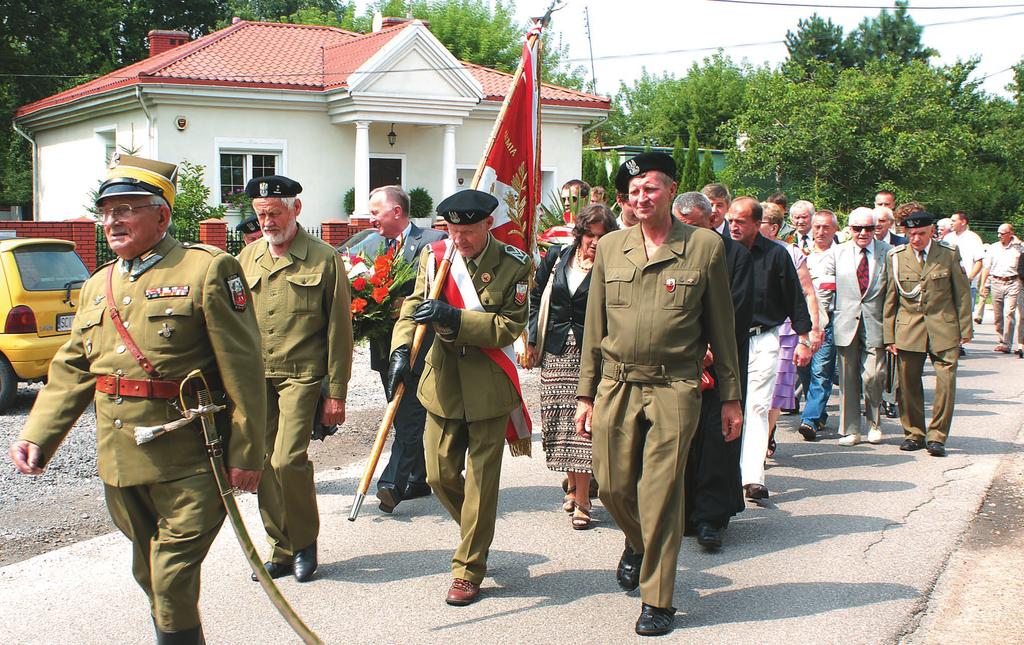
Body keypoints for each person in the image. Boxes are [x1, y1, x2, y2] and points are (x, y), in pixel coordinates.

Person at [9, 155, 266, 644]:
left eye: (126, 209)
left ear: (161, 216)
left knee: (169, 578)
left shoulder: (205, 269)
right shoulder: (97, 284)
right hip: (122, 461)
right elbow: (71, 367)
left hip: (194, 459)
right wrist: (38, 434)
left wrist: (247, 452)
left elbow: (245, 370)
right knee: (148, 573)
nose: (112, 221)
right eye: (106, 212)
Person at [575, 153, 742, 636]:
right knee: (612, 486)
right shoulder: (610, 247)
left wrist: (729, 397)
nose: (641, 198)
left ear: (670, 189)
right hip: (617, 383)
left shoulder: (704, 246)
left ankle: (658, 600)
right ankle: (638, 542)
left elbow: (722, 328)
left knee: (662, 492)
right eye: (632, 191)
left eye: (650, 188)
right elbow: (594, 327)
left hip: (676, 385)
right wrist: (586, 394)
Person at [388, 189, 532, 606]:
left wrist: (454, 317)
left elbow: (508, 327)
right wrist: (401, 348)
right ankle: (477, 528)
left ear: (488, 224)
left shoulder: (515, 265)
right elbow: (413, 306)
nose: (460, 239)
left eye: (468, 231)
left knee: (483, 483)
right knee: (438, 476)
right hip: (443, 383)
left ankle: (468, 568)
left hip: (488, 385)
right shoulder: (435, 257)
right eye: (453, 230)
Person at [237, 175, 353, 583]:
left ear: (296, 210)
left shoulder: (323, 258)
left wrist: (336, 392)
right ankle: (280, 548)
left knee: (288, 460)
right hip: (255, 378)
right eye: (260, 214)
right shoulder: (246, 259)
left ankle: (305, 543)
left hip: (301, 377)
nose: (267, 221)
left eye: (274, 213)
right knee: (262, 463)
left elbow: (340, 330)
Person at [347, 185, 446, 513]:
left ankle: (392, 482)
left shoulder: (432, 243)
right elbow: (348, 278)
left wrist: (412, 305)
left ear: (397, 212)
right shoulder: (368, 245)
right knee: (401, 406)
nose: (370, 217)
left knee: (407, 414)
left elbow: (448, 289)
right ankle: (418, 477)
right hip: (384, 347)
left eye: (375, 211)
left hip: (422, 345)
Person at [526, 204, 617, 530]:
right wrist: (533, 338)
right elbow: (536, 297)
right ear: (579, 233)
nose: (595, 241)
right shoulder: (557, 258)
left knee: (584, 427)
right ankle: (574, 482)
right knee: (560, 423)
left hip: (592, 355)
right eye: (590, 234)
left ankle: (582, 500)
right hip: (555, 351)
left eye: (602, 236)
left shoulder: (612, 265)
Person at [675, 191, 752, 552]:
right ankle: (684, 512)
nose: (686, 232)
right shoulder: (673, 252)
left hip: (721, 362)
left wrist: (710, 348)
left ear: (710, 220)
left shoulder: (733, 254)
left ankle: (711, 518)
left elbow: (733, 309)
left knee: (717, 437)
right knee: (681, 439)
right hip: (679, 361)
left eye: (692, 226)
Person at [728, 197, 812, 500]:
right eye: (731, 220)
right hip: (726, 340)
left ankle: (752, 476)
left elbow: (795, 296)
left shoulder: (776, 255)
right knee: (727, 405)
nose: (734, 226)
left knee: (758, 406)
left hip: (764, 337)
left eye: (741, 222)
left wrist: (804, 338)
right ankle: (725, 472)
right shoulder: (719, 250)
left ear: (757, 223)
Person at [883, 211, 972, 457]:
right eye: (911, 234)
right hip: (909, 329)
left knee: (946, 384)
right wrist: (889, 336)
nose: (916, 239)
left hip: (944, 328)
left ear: (932, 231)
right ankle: (914, 433)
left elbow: (962, 294)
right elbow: (891, 298)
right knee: (908, 384)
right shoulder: (896, 257)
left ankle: (937, 436)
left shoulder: (948, 255)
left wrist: (965, 329)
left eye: (921, 234)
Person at [822, 207, 892, 446]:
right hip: (845, 322)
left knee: (873, 376)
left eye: (869, 228)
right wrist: (819, 322)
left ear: (876, 229)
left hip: (876, 324)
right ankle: (850, 430)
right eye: (857, 228)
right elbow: (825, 290)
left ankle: (875, 424)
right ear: (849, 229)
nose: (863, 233)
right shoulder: (837, 253)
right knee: (848, 379)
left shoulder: (888, 253)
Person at [760, 202, 821, 446]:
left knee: (777, 388)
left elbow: (808, 293)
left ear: (773, 228)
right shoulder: (742, 250)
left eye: (759, 220)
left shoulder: (792, 253)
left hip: (787, 331)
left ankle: (765, 437)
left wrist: (812, 331)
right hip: (754, 329)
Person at [796, 210, 839, 441]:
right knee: (804, 369)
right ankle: (819, 412)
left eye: (826, 227)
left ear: (834, 229)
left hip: (827, 323)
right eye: (817, 227)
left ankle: (809, 420)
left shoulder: (841, 255)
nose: (821, 232)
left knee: (822, 372)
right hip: (803, 324)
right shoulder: (803, 255)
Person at [976, 223, 1022, 354]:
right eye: (998, 233)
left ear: (1010, 233)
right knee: (998, 315)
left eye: (1002, 233)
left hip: (1013, 281)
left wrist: (1018, 242)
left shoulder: (1018, 247)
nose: (999, 235)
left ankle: (1006, 343)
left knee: (1009, 313)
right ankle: (1001, 339)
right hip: (996, 281)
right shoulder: (993, 248)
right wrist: (983, 285)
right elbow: (986, 268)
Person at [943, 211, 985, 356]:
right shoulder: (947, 238)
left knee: (963, 313)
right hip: (947, 283)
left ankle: (959, 343)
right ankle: (950, 342)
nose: (951, 223)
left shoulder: (973, 239)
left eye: (954, 220)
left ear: (963, 222)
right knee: (948, 313)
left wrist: (970, 278)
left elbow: (979, 261)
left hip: (966, 284)